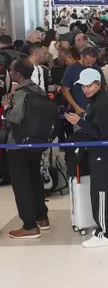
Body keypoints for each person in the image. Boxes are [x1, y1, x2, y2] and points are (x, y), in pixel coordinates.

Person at [63, 68, 108, 248]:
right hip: (102, 154)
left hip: (102, 154)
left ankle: (104, 233)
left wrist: (79, 122)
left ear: (98, 84)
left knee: (101, 192)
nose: (86, 89)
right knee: (106, 190)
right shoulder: (97, 101)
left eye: (89, 85)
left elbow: (100, 132)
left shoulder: (102, 103)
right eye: (83, 86)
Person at [3, 58, 49, 239]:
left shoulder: (21, 94)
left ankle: (29, 225)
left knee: (21, 185)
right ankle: (42, 217)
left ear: (18, 74)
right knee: (35, 179)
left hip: (18, 144)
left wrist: (6, 106)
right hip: (36, 142)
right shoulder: (39, 90)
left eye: (12, 71)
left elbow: (15, 116)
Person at [62, 47, 104, 114]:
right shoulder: (71, 69)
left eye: (93, 63)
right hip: (78, 110)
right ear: (82, 56)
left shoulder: (97, 69)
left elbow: (102, 88)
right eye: (88, 62)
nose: (90, 65)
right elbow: (65, 91)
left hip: (95, 109)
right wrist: (76, 107)